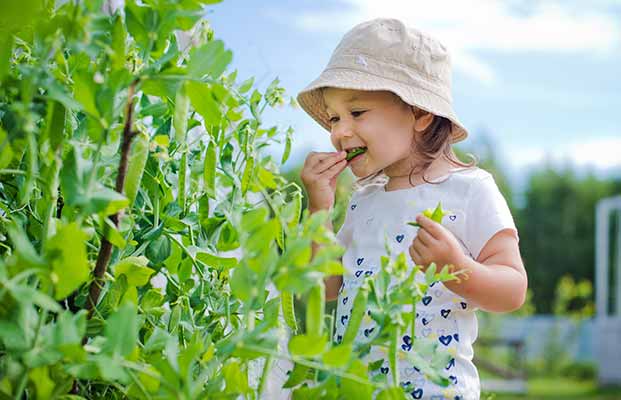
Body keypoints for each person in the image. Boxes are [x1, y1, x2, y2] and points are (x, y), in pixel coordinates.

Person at [297, 18, 527, 400]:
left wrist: (458, 269)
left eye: (356, 113)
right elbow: (325, 288)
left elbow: (513, 290)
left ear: (420, 114)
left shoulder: (470, 190)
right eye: (334, 118)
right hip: (354, 390)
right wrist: (319, 207)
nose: (339, 132)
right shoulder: (363, 199)